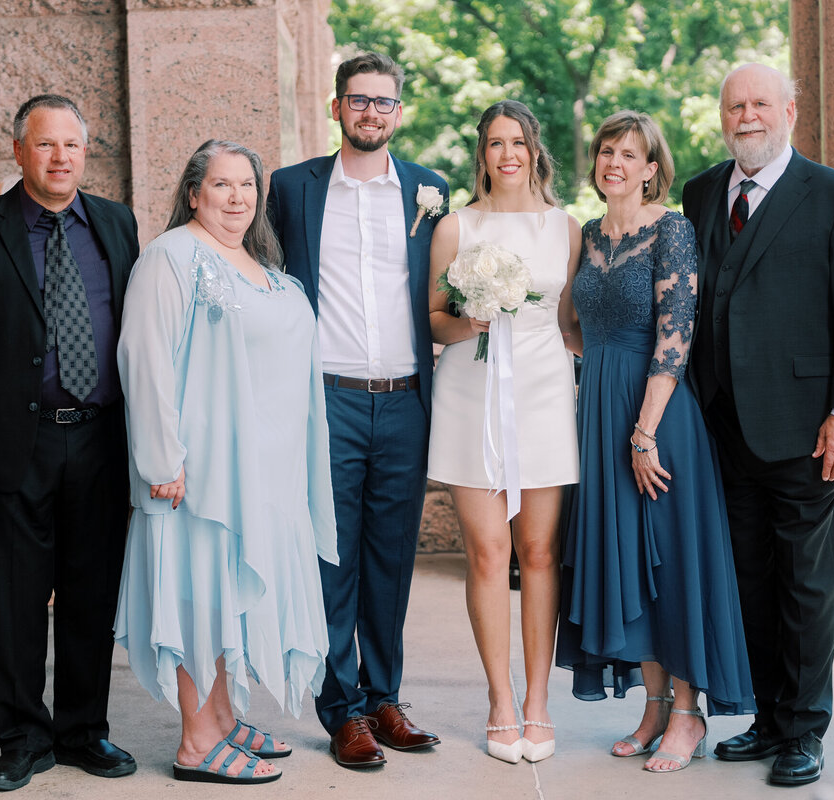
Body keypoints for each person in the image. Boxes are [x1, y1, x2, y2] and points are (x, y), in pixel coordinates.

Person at [0, 94, 139, 792]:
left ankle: (83, 731)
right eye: (46, 145)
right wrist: (3, 396)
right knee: (15, 598)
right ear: (19, 152)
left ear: (84, 152)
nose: (60, 157)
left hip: (101, 440)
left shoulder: (114, 223)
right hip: (15, 442)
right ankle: (21, 739)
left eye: (72, 145)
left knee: (89, 595)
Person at [682, 64, 834, 786]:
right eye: (734, 105)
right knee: (749, 581)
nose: (747, 116)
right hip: (723, 429)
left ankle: (805, 729)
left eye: (760, 103)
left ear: (790, 111)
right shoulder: (703, 190)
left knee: (805, 584)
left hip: (807, 431)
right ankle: (768, 720)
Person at [113, 139, 337, 785]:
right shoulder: (170, 257)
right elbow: (145, 360)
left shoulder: (263, 264)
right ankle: (195, 741)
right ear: (193, 193)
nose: (236, 198)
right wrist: (161, 460)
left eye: (246, 185)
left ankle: (221, 715)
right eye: (221, 185)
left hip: (265, 473)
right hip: (200, 474)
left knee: (227, 601)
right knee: (197, 597)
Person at [555, 110, 756, 774]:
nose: (614, 161)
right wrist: (597, 374)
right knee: (626, 562)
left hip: (657, 420)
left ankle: (689, 714)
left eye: (629, 154)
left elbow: (677, 334)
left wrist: (642, 433)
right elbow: (573, 325)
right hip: (601, 413)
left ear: (651, 168)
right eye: (606, 151)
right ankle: (652, 705)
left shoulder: (671, 230)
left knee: (668, 561)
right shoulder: (588, 234)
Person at [266, 51, 447, 768]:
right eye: (359, 100)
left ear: (399, 113)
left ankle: (384, 696)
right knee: (331, 561)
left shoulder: (428, 191)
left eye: (385, 102)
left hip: (405, 399)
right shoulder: (292, 188)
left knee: (390, 560)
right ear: (336, 107)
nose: (372, 112)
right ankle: (341, 709)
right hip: (328, 397)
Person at [426, 100, 580, 764]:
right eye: (495, 143)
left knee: (539, 554)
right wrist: (472, 321)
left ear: (535, 150)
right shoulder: (455, 228)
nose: (507, 154)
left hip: (545, 395)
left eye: (518, 142)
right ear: (481, 154)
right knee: (488, 555)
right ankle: (499, 700)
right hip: (471, 394)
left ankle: (539, 702)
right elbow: (433, 318)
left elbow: (573, 322)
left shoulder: (565, 227)